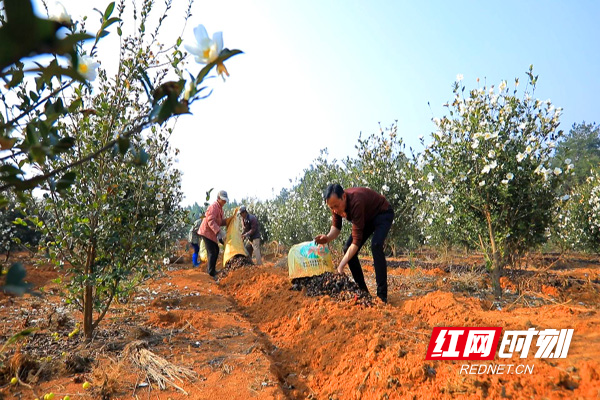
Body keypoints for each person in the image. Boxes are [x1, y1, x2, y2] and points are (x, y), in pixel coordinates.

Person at [314, 184, 394, 303]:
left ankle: (382, 297)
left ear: (344, 197)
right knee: (347, 249)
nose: (335, 210)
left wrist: (341, 266)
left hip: (382, 213)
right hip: (367, 218)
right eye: (331, 208)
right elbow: (336, 227)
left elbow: (356, 243)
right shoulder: (335, 204)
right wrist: (327, 238)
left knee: (376, 245)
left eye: (336, 206)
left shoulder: (356, 202)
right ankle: (363, 292)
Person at [198, 190, 232, 279]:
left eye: (225, 200)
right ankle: (211, 273)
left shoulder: (220, 208)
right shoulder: (213, 207)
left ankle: (212, 270)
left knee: (216, 250)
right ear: (218, 198)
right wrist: (218, 232)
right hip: (206, 232)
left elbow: (219, 222)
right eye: (223, 200)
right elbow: (210, 221)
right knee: (212, 252)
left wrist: (229, 220)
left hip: (211, 233)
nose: (224, 202)